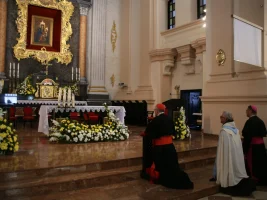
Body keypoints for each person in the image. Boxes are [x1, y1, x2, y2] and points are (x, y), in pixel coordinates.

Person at [140, 103, 194, 189]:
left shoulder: (155, 120)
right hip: (170, 147)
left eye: (155, 110)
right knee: (172, 166)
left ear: (157, 111)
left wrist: (145, 134)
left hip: (160, 148)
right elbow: (173, 132)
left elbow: (150, 133)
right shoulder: (169, 119)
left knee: (161, 166)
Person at [213, 111, 255, 196]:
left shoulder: (224, 131)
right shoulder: (235, 130)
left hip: (228, 157)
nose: (220, 117)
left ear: (225, 119)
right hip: (234, 157)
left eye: (221, 116)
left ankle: (227, 179)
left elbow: (223, 151)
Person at [242, 105, 267, 185]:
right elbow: (264, 133)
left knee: (252, 163)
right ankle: (261, 179)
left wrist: (244, 148)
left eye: (247, 110)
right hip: (261, 146)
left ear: (250, 111)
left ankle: (254, 179)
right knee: (261, 163)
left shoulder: (249, 121)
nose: (246, 112)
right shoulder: (260, 121)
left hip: (252, 146)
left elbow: (246, 135)